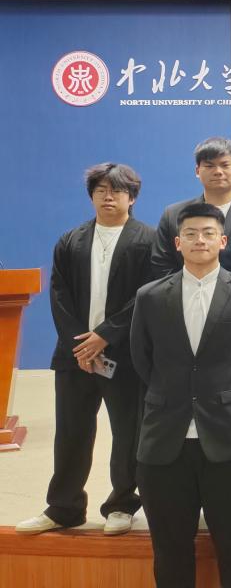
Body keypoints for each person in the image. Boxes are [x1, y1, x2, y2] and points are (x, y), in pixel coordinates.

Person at [130, 202, 231, 588]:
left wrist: (230, 398)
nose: (200, 240)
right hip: (165, 441)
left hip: (229, 437)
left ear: (222, 241)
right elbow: (142, 361)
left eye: (208, 233)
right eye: (191, 234)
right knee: (170, 548)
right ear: (177, 243)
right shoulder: (149, 296)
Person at [16, 164, 154, 536]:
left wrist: (105, 335)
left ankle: (122, 505)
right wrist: (81, 343)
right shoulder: (71, 240)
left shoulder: (148, 240)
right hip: (75, 356)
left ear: (132, 197)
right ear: (91, 196)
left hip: (125, 356)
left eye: (117, 190)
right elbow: (59, 295)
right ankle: (64, 508)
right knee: (71, 432)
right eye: (101, 190)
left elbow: (149, 295)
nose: (108, 197)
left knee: (128, 433)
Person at [152, 137, 231, 282]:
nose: (218, 171)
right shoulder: (173, 214)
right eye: (209, 166)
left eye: (225, 165)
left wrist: (230, 293)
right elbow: (161, 263)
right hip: (183, 295)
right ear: (197, 171)